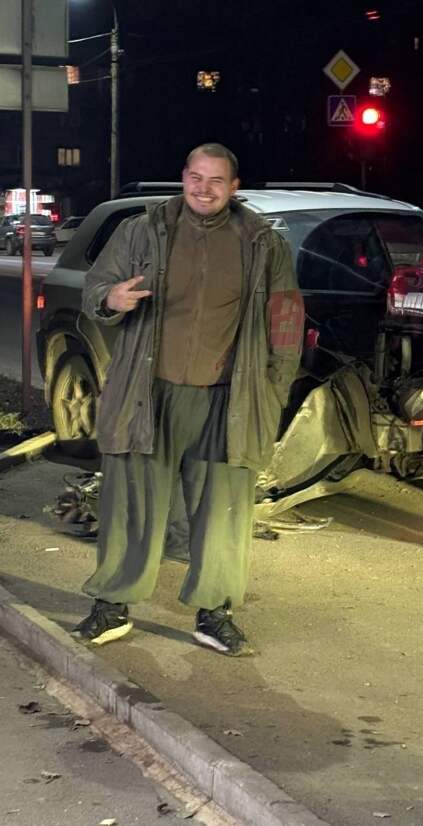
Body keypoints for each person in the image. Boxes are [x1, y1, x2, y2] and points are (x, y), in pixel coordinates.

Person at [73, 143, 304, 654]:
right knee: (132, 504)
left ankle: (214, 613)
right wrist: (111, 298)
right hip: (147, 393)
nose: (204, 188)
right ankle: (112, 606)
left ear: (234, 187)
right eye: (196, 177)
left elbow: (286, 319)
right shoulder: (142, 230)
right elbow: (95, 287)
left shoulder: (262, 243)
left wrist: (272, 390)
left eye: (216, 180)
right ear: (183, 177)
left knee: (223, 510)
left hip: (228, 398)